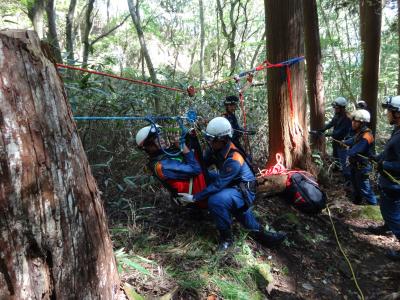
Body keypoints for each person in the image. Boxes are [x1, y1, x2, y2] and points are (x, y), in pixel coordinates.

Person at [178, 117, 286, 251]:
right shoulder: (215, 149)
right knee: (207, 177)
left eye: (212, 139)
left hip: (244, 191)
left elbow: (219, 184)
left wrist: (195, 197)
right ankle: (266, 237)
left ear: (222, 139)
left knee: (216, 200)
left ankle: (227, 240)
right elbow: (202, 168)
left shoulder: (234, 158)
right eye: (209, 138)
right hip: (231, 183)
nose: (209, 142)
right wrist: (189, 148)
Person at [135, 124, 208, 208]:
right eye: (156, 139)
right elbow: (195, 169)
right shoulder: (161, 166)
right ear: (148, 146)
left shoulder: (166, 153)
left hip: (202, 184)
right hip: (198, 197)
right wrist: (182, 146)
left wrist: (182, 132)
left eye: (160, 136)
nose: (161, 140)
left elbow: (187, 148)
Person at [368, 96, 400, 261]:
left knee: (392, 214)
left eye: (389, 111)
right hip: (389, 182)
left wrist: (385, 165)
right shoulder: (397, 130)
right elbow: (390, 153)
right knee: (392, 212)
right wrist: (378, 157)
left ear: (397, 114)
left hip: (394, 184)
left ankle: (391, 226)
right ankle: (387, 226)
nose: (387, 114)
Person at [344, 109, 377, 205]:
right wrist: (344, 142)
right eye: (353, 121)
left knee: (365, 189)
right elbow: (352, 141)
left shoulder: (368, 135)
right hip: (355, 165)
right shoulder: (359, 133)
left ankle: (373, 206)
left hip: (363, 167)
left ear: (362, 123)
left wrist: (349, 152)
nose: (353, 123)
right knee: (355, 187)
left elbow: (359, 149)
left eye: (356, 121)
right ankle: (356, 203)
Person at [318, 97, 352, 183]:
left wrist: (327, 134)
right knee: (335, 156)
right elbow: (331, 123)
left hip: (343, 143)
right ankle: (337, 171)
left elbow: (340, 132)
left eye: (336, 108)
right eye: (335, 108)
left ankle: (347, 179)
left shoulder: (347, 118)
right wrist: (322, 130)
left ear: (342, 108)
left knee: (344, 161)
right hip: (336, 141)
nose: (335, 109)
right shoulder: (337, 115)